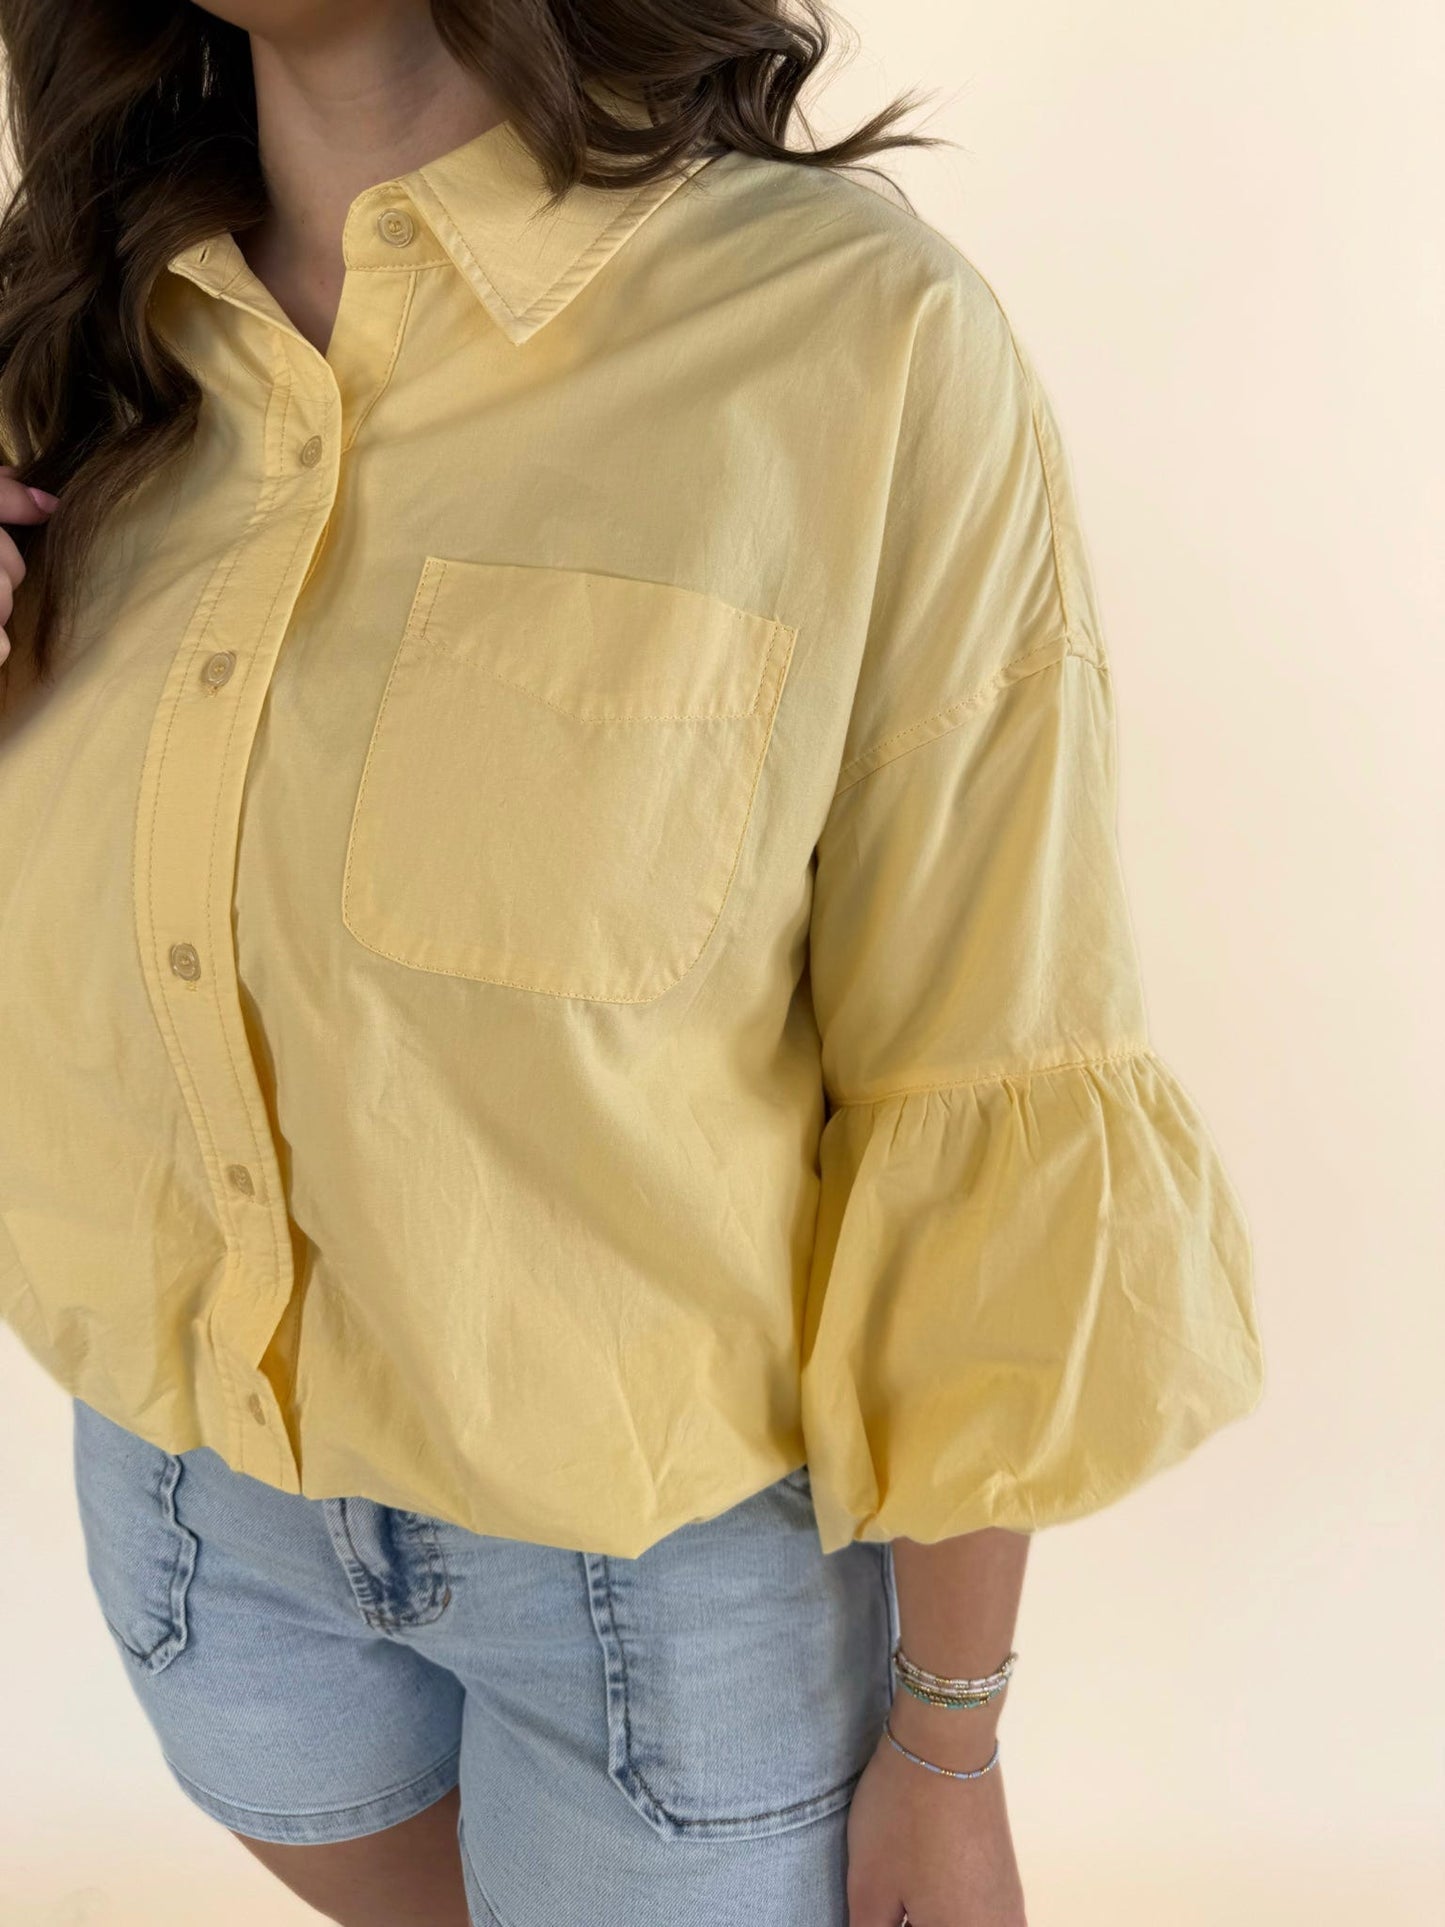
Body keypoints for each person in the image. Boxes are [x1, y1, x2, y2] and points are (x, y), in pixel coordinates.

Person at [0, 3, 1267, 1923]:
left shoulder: (853, 339)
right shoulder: (73, 335)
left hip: (654, 1590)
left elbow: (982, 1055)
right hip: (189, 1516)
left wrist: (947, 1739)